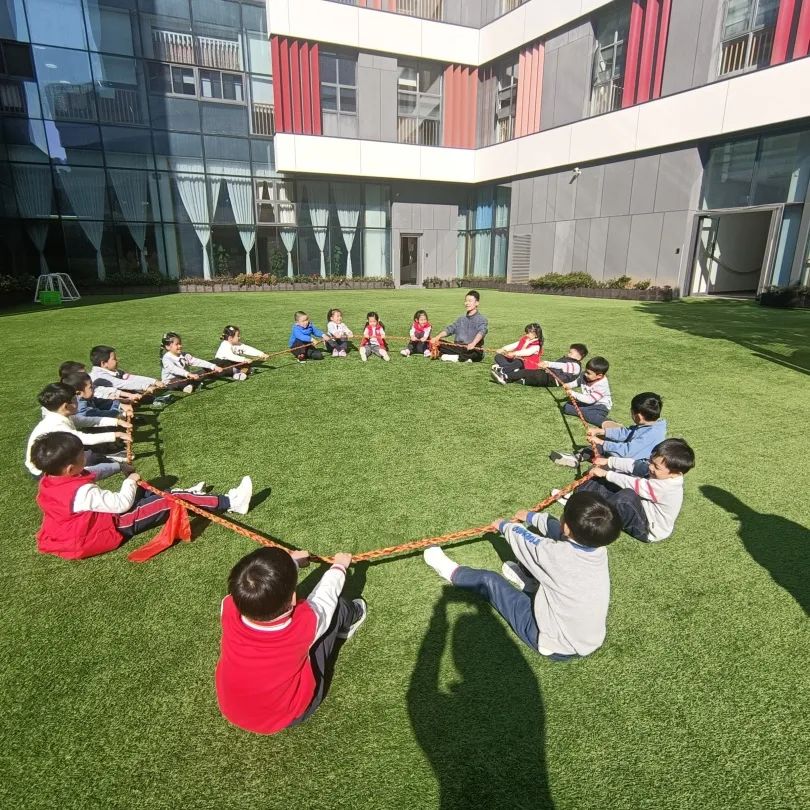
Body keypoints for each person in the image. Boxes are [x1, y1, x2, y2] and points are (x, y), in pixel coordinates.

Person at [422, 491, 622, 658]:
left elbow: (527, 542)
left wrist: (504, 526)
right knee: (552, 561)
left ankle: (450, 570)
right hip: (586, 638)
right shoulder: (598, 550)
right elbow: (556, 529)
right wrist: (529, 516)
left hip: (554, 642)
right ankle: (530, 584)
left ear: (568, 527)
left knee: (490, 581)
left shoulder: (555, 555)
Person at [215, 546, 367, 734]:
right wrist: (339, 566)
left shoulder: (228, 606)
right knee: (337, 609)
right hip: (289, 713)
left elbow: (259, 584)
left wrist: (292, 563)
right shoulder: (304, 624)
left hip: (232, 708)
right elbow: (325, 599)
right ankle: (353, 617)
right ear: (293, 598)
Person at [32, 431, 253, 560]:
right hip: (109, 527)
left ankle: (192, 495)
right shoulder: (81, 492)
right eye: (83, 455)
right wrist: (130, 480)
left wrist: (120, 467)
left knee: (153, 494)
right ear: (70, 468)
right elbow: (120, 504)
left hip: (87, 527)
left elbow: (92, 472)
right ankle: (231, 502)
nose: (86, 457)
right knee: (171, 501)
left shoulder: (52, 479)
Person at [569, 438, 695, 542]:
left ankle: (595, 515)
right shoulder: (660, 472)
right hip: (640, 504)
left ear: (675, 473)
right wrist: (608, 461)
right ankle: (582, 492)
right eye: (651, 461)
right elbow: (634, 465)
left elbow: (634, 484)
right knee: (617, 480)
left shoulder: (667, 488)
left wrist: (606, 474)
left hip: (646, 527)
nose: (651, 467)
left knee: (625, 497)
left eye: (656, 467)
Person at [25, 383, 132, 479]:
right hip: (44, 469)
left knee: (88, 455)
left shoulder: (61, 415)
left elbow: (86, 420)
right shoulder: (56, 424)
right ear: (66, 406)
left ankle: (112, 460)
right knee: (82, 470)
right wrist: (117, 434)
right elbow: (83, 438)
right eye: (75, 399)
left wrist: (117, 421)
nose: (78, 400)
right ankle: (115, 465)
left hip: (57, 457)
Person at [551, 392, 666, 467]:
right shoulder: (650, 425)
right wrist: (601, 431)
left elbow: (627, 452)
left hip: (632, 464)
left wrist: (602, 442)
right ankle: (577, 458)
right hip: (627, 454)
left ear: (638, 416)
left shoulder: (651, 435)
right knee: (603, 442)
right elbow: (627, 433)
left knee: (599, 462)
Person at [431, 290, 488, 363]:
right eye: (466, 301)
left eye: (470, 301)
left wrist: (473, 343)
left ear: (477, 303)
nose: (467, 303)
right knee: (439, 343)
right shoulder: (461, 319)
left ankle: (450, 356)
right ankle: (462, 358)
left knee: (477, 352)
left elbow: (482, 332)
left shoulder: (482, 319)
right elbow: (450, 329)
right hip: (458, 347)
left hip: (472, 348)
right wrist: (437, 337)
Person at [60, 360, 140, 409]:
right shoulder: (77, 402)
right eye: (82, 374)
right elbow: (94, 412)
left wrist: (126, 396)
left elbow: (101, 390)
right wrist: (119, 404)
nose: (87, 376)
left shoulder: (86, 388)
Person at [62, 370, 134, 422]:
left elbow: (100, 402)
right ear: (79, 393)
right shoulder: (83, 408)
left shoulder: (85, 398)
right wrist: (122, 413)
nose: (93, 388)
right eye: (90, 387)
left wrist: (119, 403)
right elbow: (101, 415)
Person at [508, 343, 588, 387]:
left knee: (526, 372)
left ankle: (506, 376)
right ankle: (517, 378)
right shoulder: (570, 360)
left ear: (579, 356)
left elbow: (562, 366)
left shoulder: (576, 366)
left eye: (571, 353)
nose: (568, 354)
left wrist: (548, 364)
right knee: (530, 376)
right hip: (550, 377)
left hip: (553, 379)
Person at [563, 356, 612, 427]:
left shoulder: (602, 386)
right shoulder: (585, 375)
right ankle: (586, 412)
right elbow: (578, 382)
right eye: (586, 371)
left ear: (599, 376)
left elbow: (589, 400)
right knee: (567, 407)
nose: (585, 374)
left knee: (588, 415)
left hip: (601, 406)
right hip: (588, 404)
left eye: (588, 373)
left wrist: (573, 393)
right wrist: (569, 385)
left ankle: (609, 423)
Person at [89, 345, 159, 393]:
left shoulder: (112, 371)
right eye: (114, 359)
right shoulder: (100, 376)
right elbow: (121, 384)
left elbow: (131, 378)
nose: (117, 360)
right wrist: (145, 386)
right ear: (104, 363)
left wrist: (153, 381)